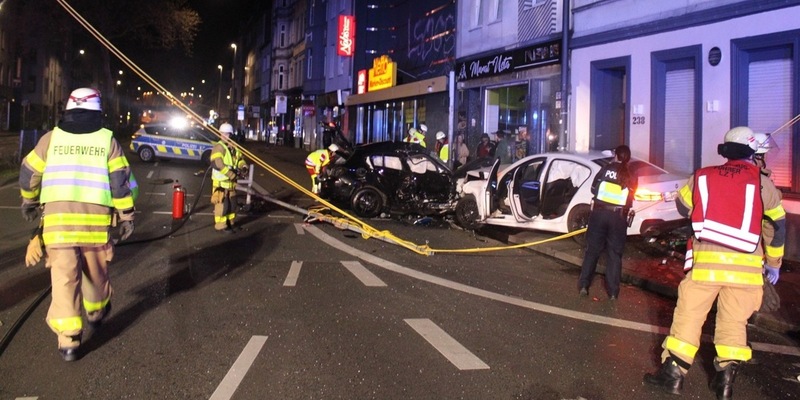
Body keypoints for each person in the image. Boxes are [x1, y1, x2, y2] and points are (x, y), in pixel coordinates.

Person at [643, 127, 785, 399]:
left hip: (705, 266)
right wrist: (774, 262)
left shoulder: (702, 176)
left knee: (689, 317)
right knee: (733, 323)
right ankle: (724, 383)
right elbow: (776, 226)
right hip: (746, 272)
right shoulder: (762, 183)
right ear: (754, 153)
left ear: (725, 151)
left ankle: (672, 377)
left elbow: (683, 207)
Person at [18, 87, 136, 361]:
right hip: (94, 226)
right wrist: (127, 217)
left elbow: (28, 173)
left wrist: (29, 202)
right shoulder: (108, 141)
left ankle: (69, 341)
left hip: (58, 227)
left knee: (64, 280)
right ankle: (96, 312)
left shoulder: (50, 139)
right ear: (98, 112)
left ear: (68, 110)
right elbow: (120, 184)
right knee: (95, 272)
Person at [577, 144, 637, 300]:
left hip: (599, 215)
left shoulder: (605, 169)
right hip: (618, 218)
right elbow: (631, 197)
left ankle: (584, 285)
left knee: (592, 251)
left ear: (615, 155)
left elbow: (593, 188)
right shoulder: (631, 175)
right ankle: (613, 292)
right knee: (614, 255)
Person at [210, 123, 247, 233]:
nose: (226, 136)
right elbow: (218, 163)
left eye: (228, 134)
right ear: (220, 134)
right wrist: (231, 174)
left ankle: (230, 223)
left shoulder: (233, 147)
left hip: (231, 183)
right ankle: (221, 225)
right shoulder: (219, 147)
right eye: (224, 133)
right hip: (221, 183)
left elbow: (240, 159)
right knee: (222, 205)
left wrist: (243, 166)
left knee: (232, 204)